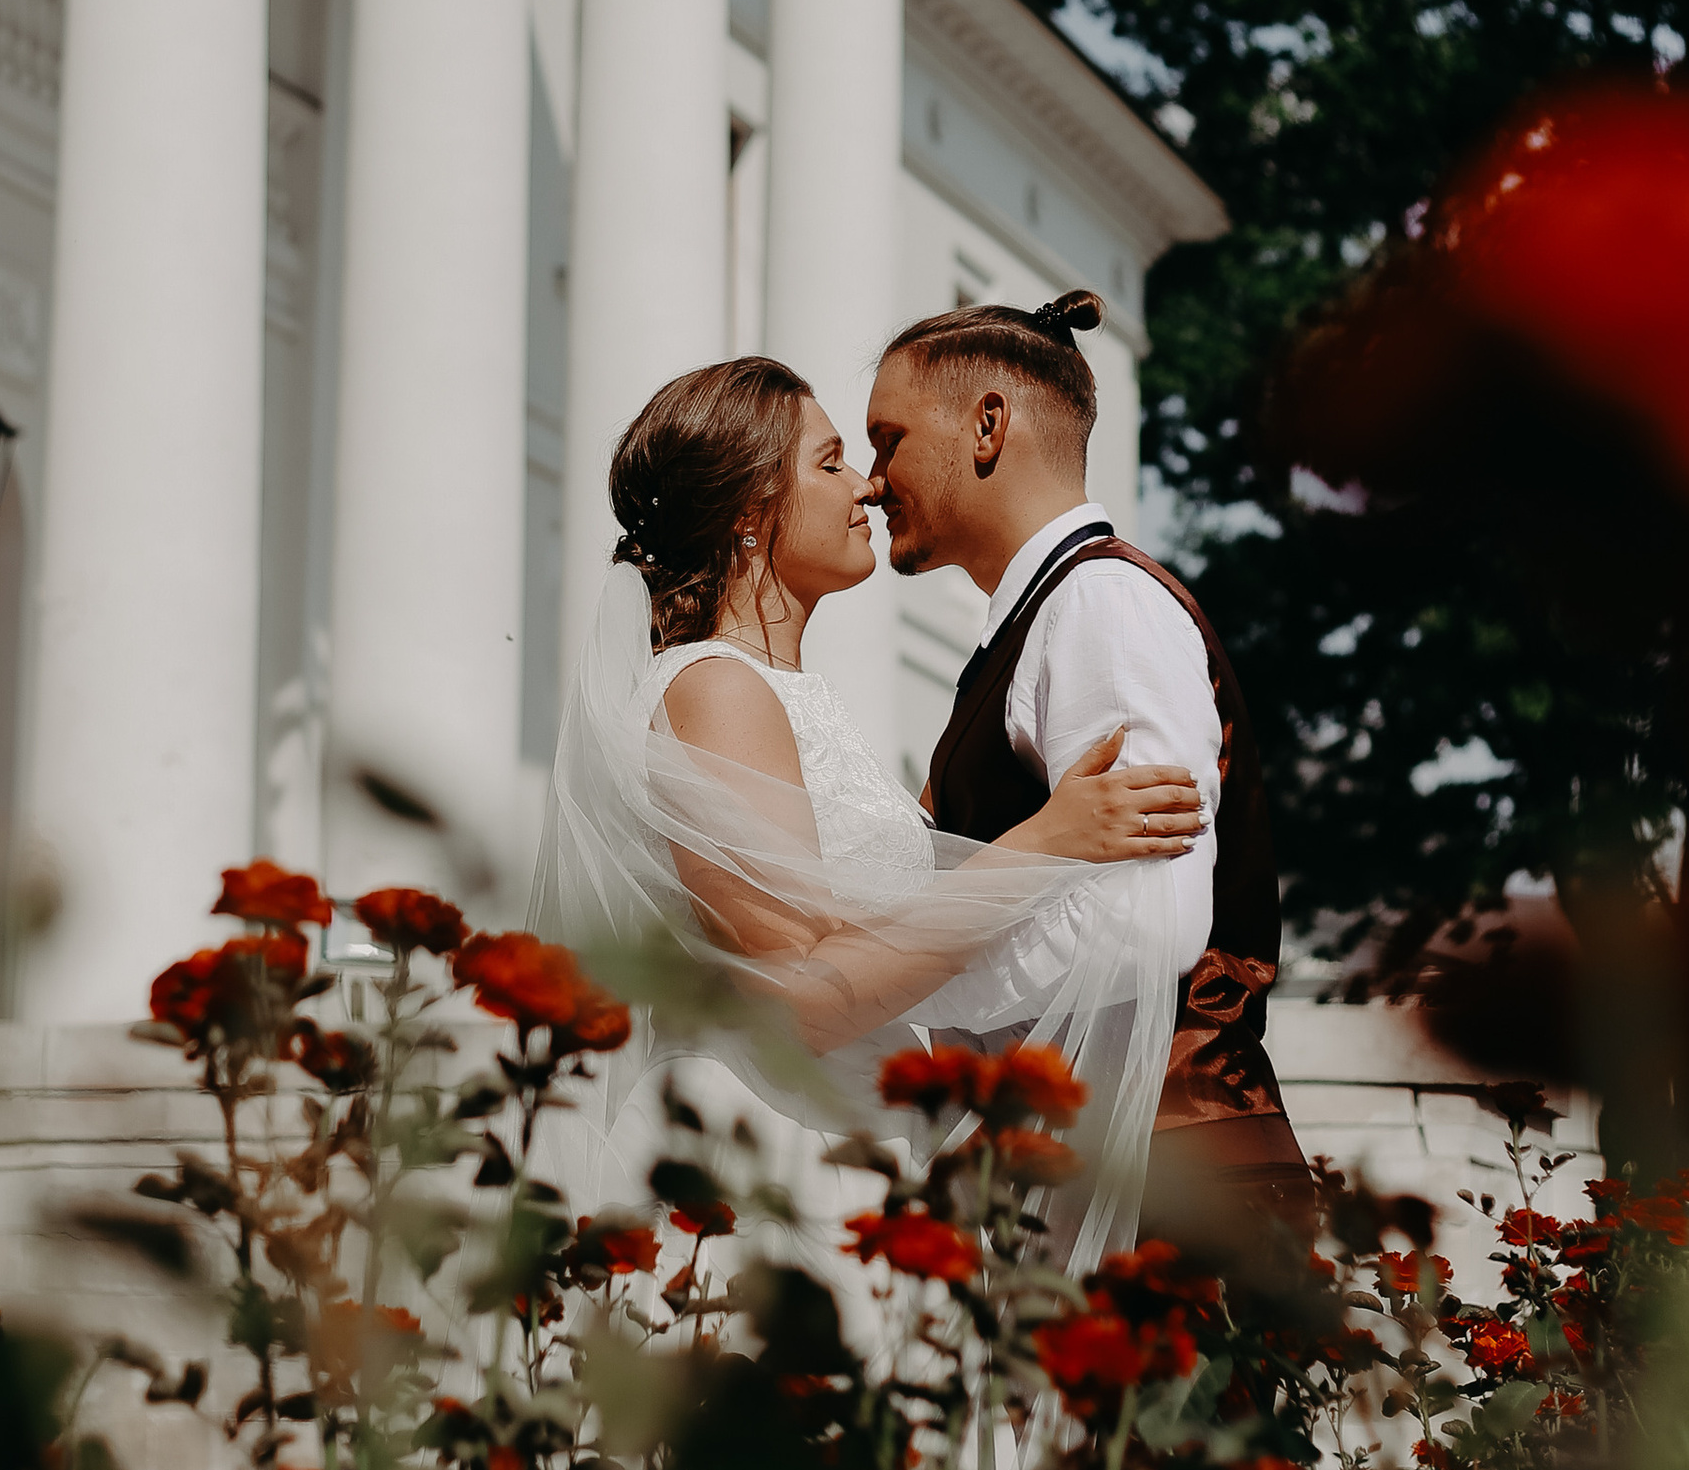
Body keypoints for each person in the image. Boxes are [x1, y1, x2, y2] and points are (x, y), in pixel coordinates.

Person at [530, 352, 1207, 1255]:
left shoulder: (782, 697)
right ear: (748, 516)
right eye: (832, 461)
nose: (868, 487)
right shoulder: (715, 690)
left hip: (858, 1143)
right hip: (775, 1157)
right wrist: (1047, 840)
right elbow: (805, 997)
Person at [865, 288, 1311, 1239]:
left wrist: (910, 979)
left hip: (1169, 1186)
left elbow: (1145, 926)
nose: (871, 480)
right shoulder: (1045, 620)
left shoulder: (1102, 608)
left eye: (888, 439)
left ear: (989, 424)